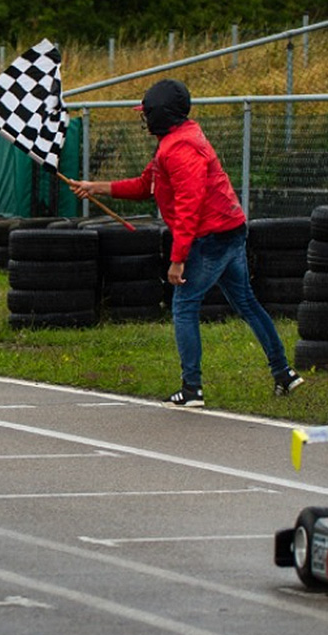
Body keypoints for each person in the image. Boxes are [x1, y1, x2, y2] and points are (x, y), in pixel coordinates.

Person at [69, 77, 303, 406]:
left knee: (184, 306)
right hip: (228, 230)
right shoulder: (176, 139)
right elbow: (144, 184)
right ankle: (284, 374)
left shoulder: (180, 148)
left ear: (160, 115)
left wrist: (178, 259)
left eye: (146, 113)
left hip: (212, 236)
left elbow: (189, 206)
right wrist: (95, 187)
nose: (144, 118)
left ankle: (192, 388)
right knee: (246, 302)